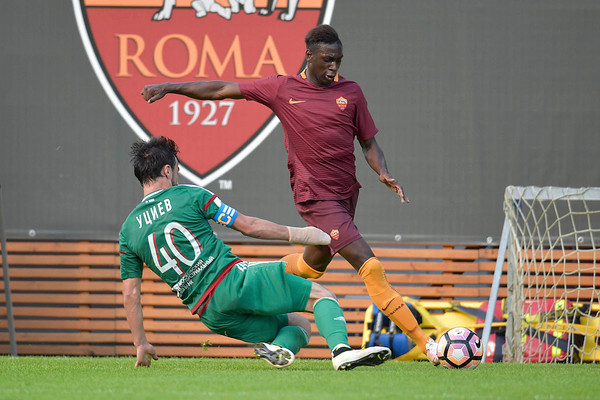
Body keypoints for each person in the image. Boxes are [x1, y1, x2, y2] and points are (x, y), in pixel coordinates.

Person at [140, 25, 439, 364]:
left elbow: (369, 143)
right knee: (370, 268)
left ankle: (264, 292)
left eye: (338, 61)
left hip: (344, 198)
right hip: (316, 197)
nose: (333, 68)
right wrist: (169, 87)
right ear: (309, 55)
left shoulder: (351, 93)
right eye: (327, 60)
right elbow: (222, 88)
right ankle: (429, 346)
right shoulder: (283, 88)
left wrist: (381, 170)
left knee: (312, 266)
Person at [119, 136, 391, 370]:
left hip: (210, 313)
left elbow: (131, 294)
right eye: (177, 169)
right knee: (323, 295)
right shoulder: (188, 195)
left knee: (299, 325)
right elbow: (247, 226)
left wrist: (140, 343)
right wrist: (302, 234)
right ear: (167, 170)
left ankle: (280, 350)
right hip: (233, 281)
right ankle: (342, 352)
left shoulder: (128, 230)